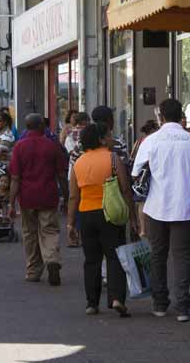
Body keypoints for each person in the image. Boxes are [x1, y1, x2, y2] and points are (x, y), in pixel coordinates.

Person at [131, 98, 190, 322]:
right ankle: (183, 306)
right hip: (185, 208)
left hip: (156, 207)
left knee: (158, 255)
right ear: (180, 116)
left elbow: (137, 173)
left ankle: (160, 303)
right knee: (183, 256)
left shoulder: (151, 141)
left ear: (161, 117)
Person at [67, 123, 136, 317]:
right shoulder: (113, 159)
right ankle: (116, 299)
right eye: (105, 136)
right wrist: (132, 216)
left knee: (92, 260)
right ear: (100, 139)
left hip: (86, 214)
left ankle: (91, 303)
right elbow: (125, 189)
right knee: (114, 256)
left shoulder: (78, 163)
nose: (108, 138)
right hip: (110, 213)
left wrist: (70, 223)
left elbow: (73, 196)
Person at [9, 113, 68, 286]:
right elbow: (61, 175)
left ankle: (33, 270)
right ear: (41, 126)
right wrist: (66, 195)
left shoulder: (19, 147)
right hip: (48, 195)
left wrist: (11, 203)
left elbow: (15, 178)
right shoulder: (52, 146)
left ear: (27, 127)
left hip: (27, 196)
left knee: (30, 233)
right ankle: (52, 259)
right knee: (49, 230)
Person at [130, 119, 160, 238]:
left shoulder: (139, 141)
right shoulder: (153, 141)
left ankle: (143, 229)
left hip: (140, 175)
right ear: (153, 130)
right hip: (148, 174)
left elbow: (132, 156)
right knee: (149, 201)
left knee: (141, 202)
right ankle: (149, 227)